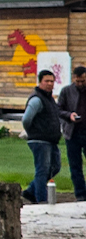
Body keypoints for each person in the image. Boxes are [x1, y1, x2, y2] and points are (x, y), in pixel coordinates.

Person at [22, 69, 66, 203]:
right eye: (46, 81)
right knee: (42, 170)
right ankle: (41, 199)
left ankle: (30, 191)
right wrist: (32, 132)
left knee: (55, 167)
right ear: (40, 82)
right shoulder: (36, 99)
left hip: (51, 140)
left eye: (52, 81)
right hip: (40, 140)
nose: (49, 84)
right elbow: (26, 119)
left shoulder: (50, 99)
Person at [57, 65, 86, 200]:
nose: (80, 84)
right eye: (78, 81)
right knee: (75, 165)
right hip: (72, 133)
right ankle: (80, 194)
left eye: (83, 81)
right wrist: (69, 116)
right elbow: (58, 110)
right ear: (74, 78)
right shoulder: (66, 91)